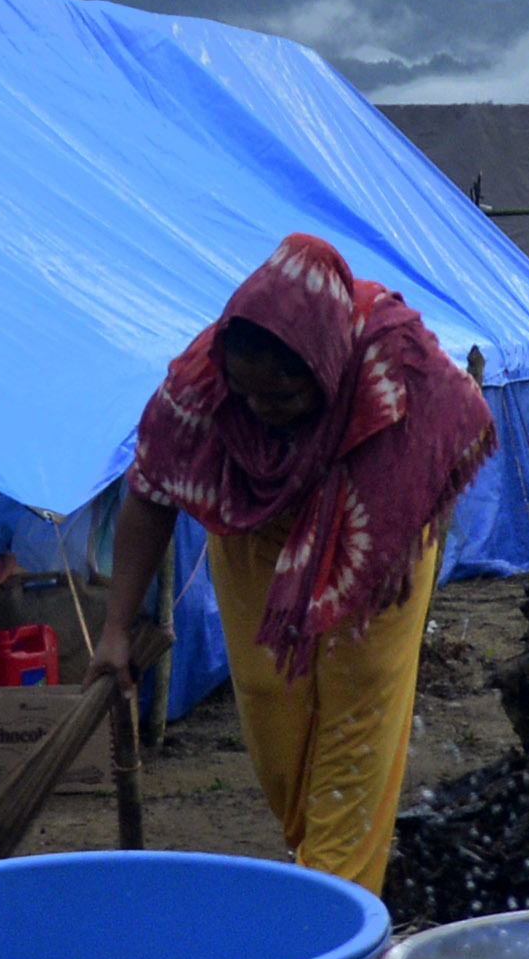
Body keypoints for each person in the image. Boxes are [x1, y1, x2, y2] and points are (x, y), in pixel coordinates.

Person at [94, 233, 496, 891]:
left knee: (359, 703)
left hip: (377, 520)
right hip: (257, 529)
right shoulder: (202, 384)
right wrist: (114, 628)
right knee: (268, 696)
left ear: (327, 367)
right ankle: (321, 862)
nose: (260, 412)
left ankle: (335, 905)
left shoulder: (393, 362)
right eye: (248, 396)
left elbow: (444, 438)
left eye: (281, 398)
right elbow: (150, 492)